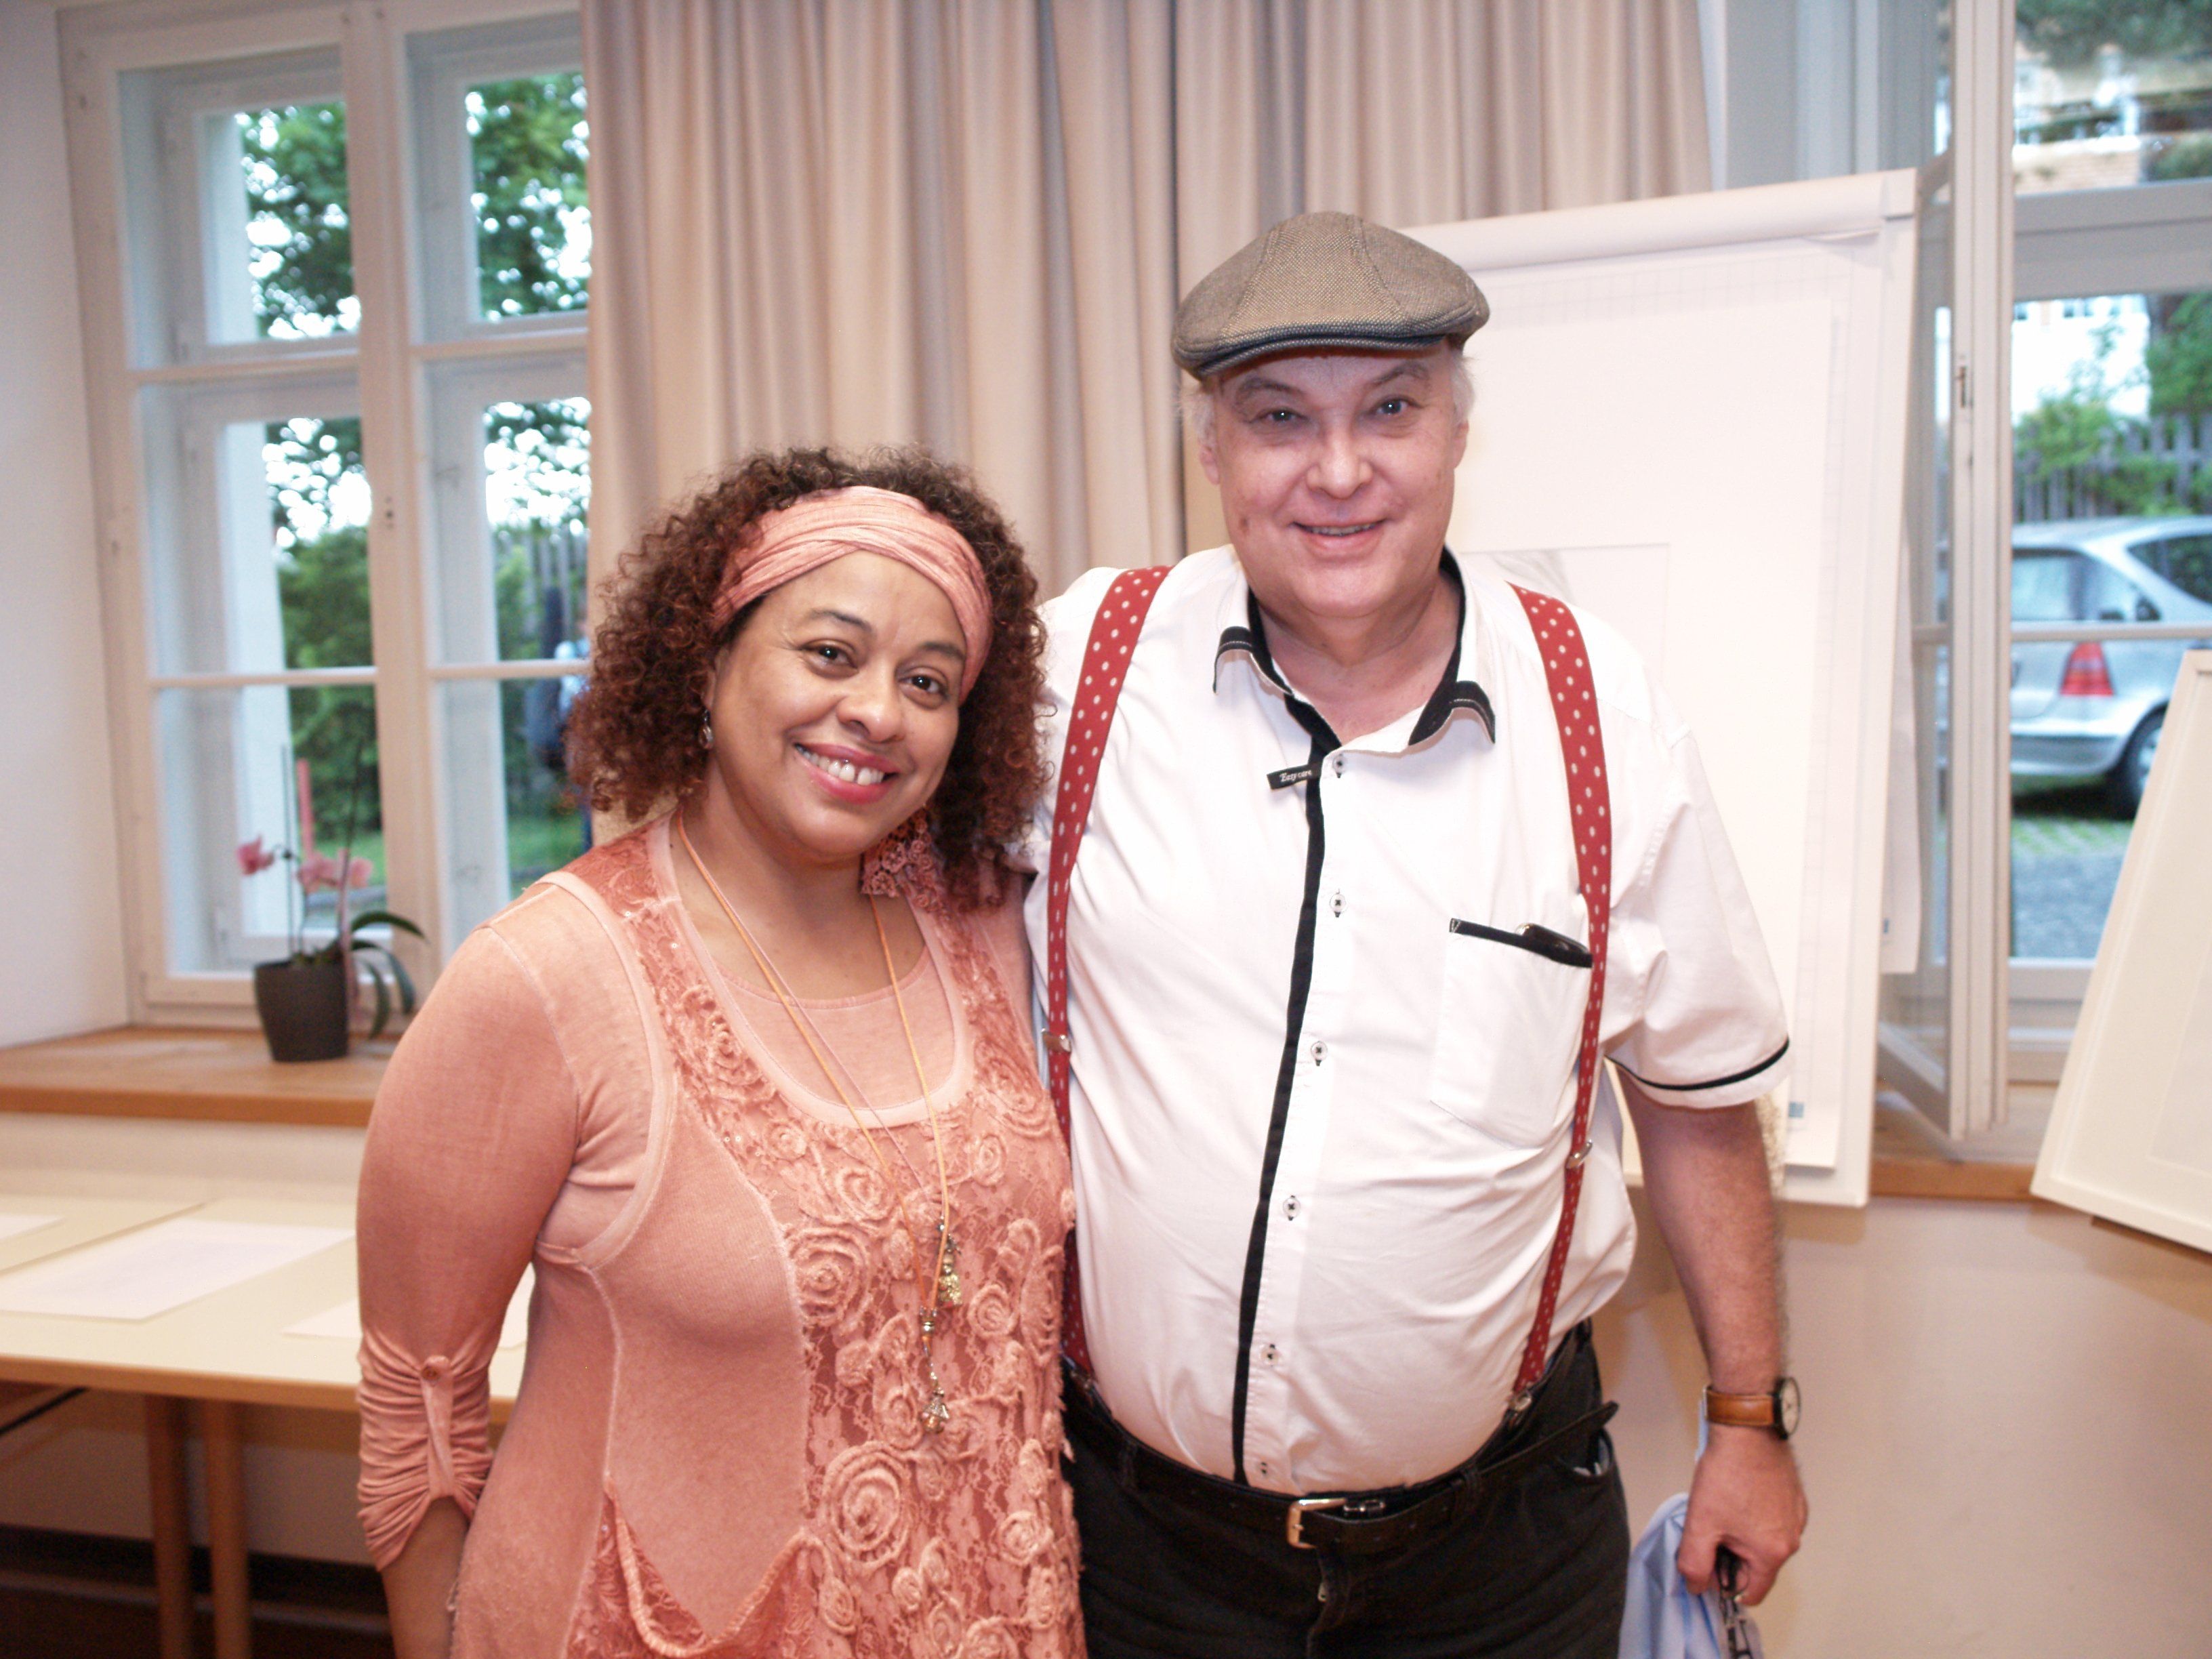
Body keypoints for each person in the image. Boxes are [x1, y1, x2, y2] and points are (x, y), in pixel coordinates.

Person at [1029, 212, 1807, 1657]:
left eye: (1389, 409)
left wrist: (1750, 1419)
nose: (1338, 472)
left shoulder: (1600, 709)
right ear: (1211, 451)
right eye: (1279, 418)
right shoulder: (1081, 670)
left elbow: (1697, 1099)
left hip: (1498, 1568)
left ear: (1459, 431)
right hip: (1137, 1555)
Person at [356, 447, 1082, 1658]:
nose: (879, 711)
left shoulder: (977, 928)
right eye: (831, 654)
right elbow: (417, 1406)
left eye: (928, 680)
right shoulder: (549, 975)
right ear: (707, 662)